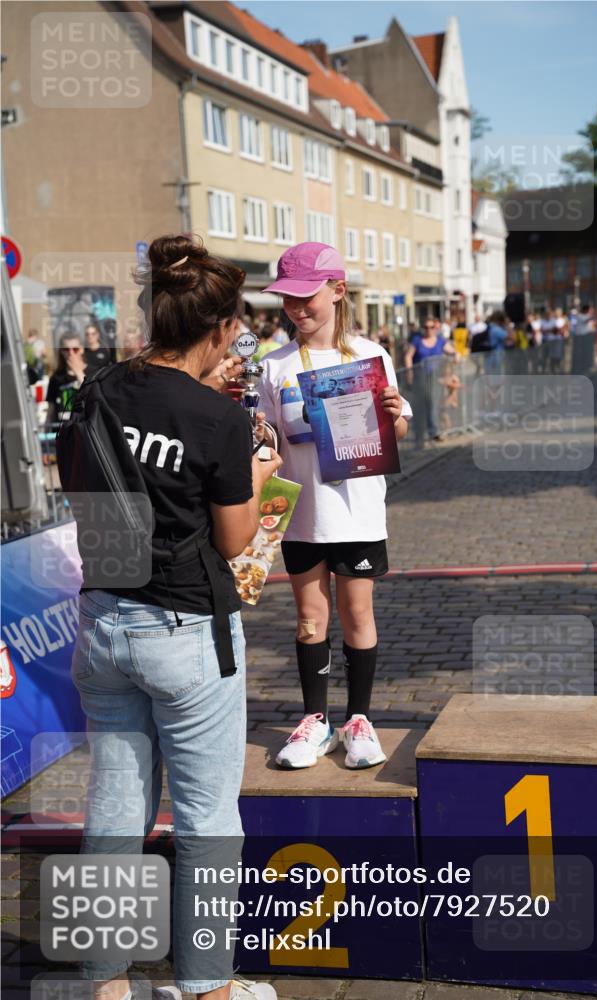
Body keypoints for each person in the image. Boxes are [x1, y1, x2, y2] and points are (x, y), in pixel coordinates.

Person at [66, 234, 282, 1000]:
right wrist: (257, 474)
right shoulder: (216, 421)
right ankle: (206, 989)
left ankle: (104, 983)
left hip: (103, 619)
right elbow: (234, 538)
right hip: (185, 630)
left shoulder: (93, 390)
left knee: (115, 809)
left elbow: (84, 496)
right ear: (222, 330)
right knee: (205, 821)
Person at [256, 242, 411, 770]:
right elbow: (267, 437)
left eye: (307, 298)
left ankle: (360, 719)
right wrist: (256, 434)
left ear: (337, 291)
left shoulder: (371, 355)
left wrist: (394, 415)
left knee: (357, 612)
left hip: (358, 511)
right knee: (308, 618)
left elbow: (398, 427)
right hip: (303, 514)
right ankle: (314, 721)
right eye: (287, 300)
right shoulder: (273, 366)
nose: (297, 309)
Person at [404, 317, 447, 440]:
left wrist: (456, 355)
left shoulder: (440, 341)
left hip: (435, 378)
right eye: (426, 327)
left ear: (435, 328)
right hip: (420, 377)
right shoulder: (417, 340)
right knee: (421, 405)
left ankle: (433, 431)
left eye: (431, 327)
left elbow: (451, 350)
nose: (428, 329)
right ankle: (420, 433)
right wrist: (409, 372)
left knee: (433, 403)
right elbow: (408, 356)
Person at [46, 330, 87, 423]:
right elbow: (51, 410)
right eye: (66, 349)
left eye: (75, 349)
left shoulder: (93, 372)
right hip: (62, 430)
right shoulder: (56, 378)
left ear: (82, 349)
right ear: (61, 351)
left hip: (84, 429)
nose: (71, 353)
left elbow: (94, 396)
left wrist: (78, 373)